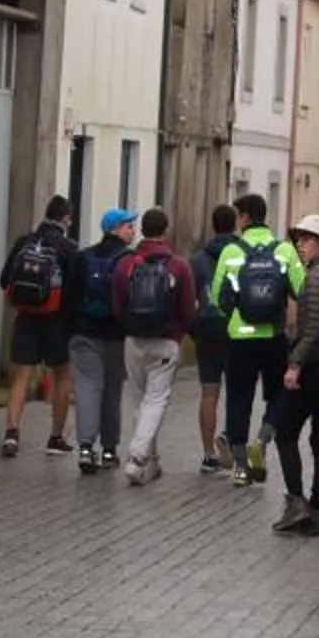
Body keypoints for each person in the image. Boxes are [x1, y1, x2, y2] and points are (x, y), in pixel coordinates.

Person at [210, 193, 305, 486]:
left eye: (238, 215)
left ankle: (239, 466)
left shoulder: (231, 251)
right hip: (273, 335)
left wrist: (236, 317)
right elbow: (301, 289)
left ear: (245, 218)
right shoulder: (285, 251)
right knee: (279, 393)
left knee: (238, 398)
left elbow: (216, 297)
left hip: (240, 337)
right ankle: (262, 440)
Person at [112, 207, 198, 486]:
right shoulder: (178, 266)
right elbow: (188, 308)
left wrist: (129, 325)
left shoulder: (127, 264)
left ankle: (151, 460)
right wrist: (180, 333)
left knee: (138, 398)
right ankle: (137, 458)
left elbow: (118, 304)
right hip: (166, 340)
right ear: (165, 231)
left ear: (142, 230)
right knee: (157, 400)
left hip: (134, 340)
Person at [269, 214, 319, 536]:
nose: (300, 245)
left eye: (307, 239)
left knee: (285, 432)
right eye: (298, 239)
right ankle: (316, 508)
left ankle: (297, 502)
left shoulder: (315, 278)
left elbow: (311, 329)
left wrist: (294, 363)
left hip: (310, 368)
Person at [0, 196, 81, 459]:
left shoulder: (24, 242)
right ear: (66, 219)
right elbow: (75, 292)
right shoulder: (69, 248)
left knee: (21, 377)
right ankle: (56, 437)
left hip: (25, 318)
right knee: (61, 377)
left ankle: (11, 434)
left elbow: (4, 279)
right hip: (57, 322)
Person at [67, 207, 136, 472]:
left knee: (87, 387)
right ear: (115, 229)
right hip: (115, 334)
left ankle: (85, 447)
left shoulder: (83, 257)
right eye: (129, 226)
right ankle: (109, 450)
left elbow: (70, 295)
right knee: (112, 392)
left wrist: (72, 327)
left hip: (84, 333)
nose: (132, 230)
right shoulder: (129, 259)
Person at [189, 204, 239, 473]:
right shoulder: (241, 255)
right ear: (235, 225)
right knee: (236, 391)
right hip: (235, 328)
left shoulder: (197, 260)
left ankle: (208, 454)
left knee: (209, 391)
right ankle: (231, 444)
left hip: (207, 327)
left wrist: (193, 329)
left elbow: (188, 299)